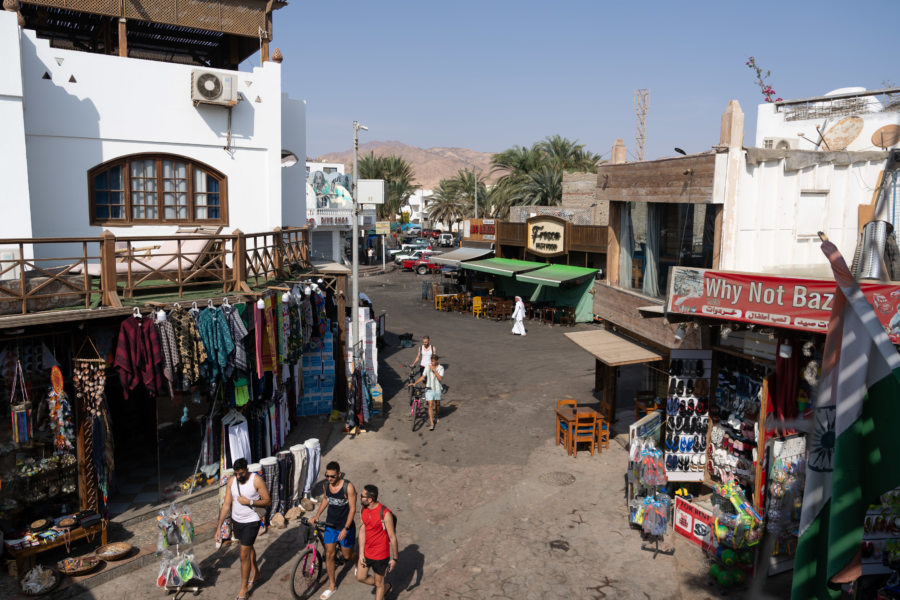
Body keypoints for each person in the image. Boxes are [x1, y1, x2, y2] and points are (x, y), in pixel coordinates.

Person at [215, 458, 270, 600]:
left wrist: (249, 501)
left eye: (241, 473)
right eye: (236, 474)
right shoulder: (232, 481)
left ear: (247, 470)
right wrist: (219, 527)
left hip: (252, 521)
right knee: (248, 547)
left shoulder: (256, 480)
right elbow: (226, 504)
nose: (238, 476)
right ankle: (256, 573)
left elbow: (267, 500)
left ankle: (244, 589)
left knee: (243, 554)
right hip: (237, 521)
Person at [312, 461, 358, 600]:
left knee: (347, 556)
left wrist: (345, 528)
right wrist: (317, 515)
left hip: (345, 527)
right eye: (327, 475)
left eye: (332, 476)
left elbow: (353, 509)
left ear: (339, 474)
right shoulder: (326, 485)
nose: (329, 479)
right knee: (329, 555)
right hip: (331, 526)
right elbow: (326, 499)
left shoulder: (348, 487)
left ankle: (357, 561)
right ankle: (332, 586)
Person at [356, 485, 398, 600]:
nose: (360, 498)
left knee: (378, 585)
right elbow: (363, 530)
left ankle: (381, 587)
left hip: (380, 555)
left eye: (362, 496)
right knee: (360, 577)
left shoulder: (385, 514)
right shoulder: (363, 509)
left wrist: (395, 558)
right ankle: (385, 586)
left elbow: (392, 537)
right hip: (367, 552)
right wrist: (361, 553)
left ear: (370, 499)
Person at [409, 353, 444, 430]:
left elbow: (440, 378)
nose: (432, 363)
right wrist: (415, 383)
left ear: (437, 361)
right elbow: (422, 377)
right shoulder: (428, 367)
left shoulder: (441, 368)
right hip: (429, 389)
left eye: (433, 361)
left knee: (437, 404)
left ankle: (437, 415)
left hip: (437, 389)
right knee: (430, 404)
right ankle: (432, 423)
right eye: (431, 361)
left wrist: (434, 370)